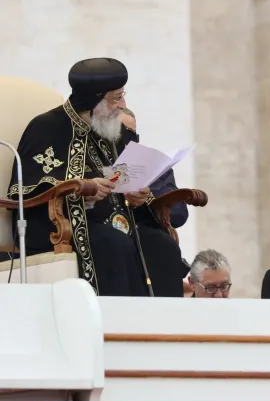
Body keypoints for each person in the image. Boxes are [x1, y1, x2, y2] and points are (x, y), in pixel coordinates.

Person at [8, 58, 189, 297]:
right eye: (115, 98)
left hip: (117, 219)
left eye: (122, 96)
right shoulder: (47, 128)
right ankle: (115, 325)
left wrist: (139, 195)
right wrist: (85, 188)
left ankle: (159, 328)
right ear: (93, 99)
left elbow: (127, 177)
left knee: (162, 246)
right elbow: (27, 189)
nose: (122, 105)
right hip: (64, 224)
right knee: (115, 244)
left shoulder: (114, 129)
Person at [118, 108, 188, 228]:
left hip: (144, 231)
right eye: (121, 135)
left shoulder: (155, 165)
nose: (127, 143)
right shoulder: (95, 161)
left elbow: (178, 214)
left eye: (132, 136)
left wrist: (147, 189)